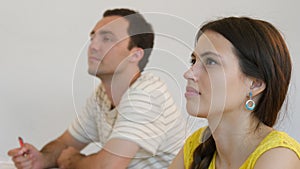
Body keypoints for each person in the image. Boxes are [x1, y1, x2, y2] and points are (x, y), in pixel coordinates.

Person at [8, 8, 186, 169]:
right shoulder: (101, 95)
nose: (93, 46)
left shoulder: (147, 94)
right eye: (93, 37)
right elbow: (65, 143)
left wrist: (73, 161)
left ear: (135, 54)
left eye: (107, 39)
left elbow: (108, 167)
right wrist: (41, 159)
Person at [169, 16, 300, 169]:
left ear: (254, 84)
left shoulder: (279, 157)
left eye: (211, 62)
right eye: (194, 61)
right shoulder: (196, 144)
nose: (189, 73)